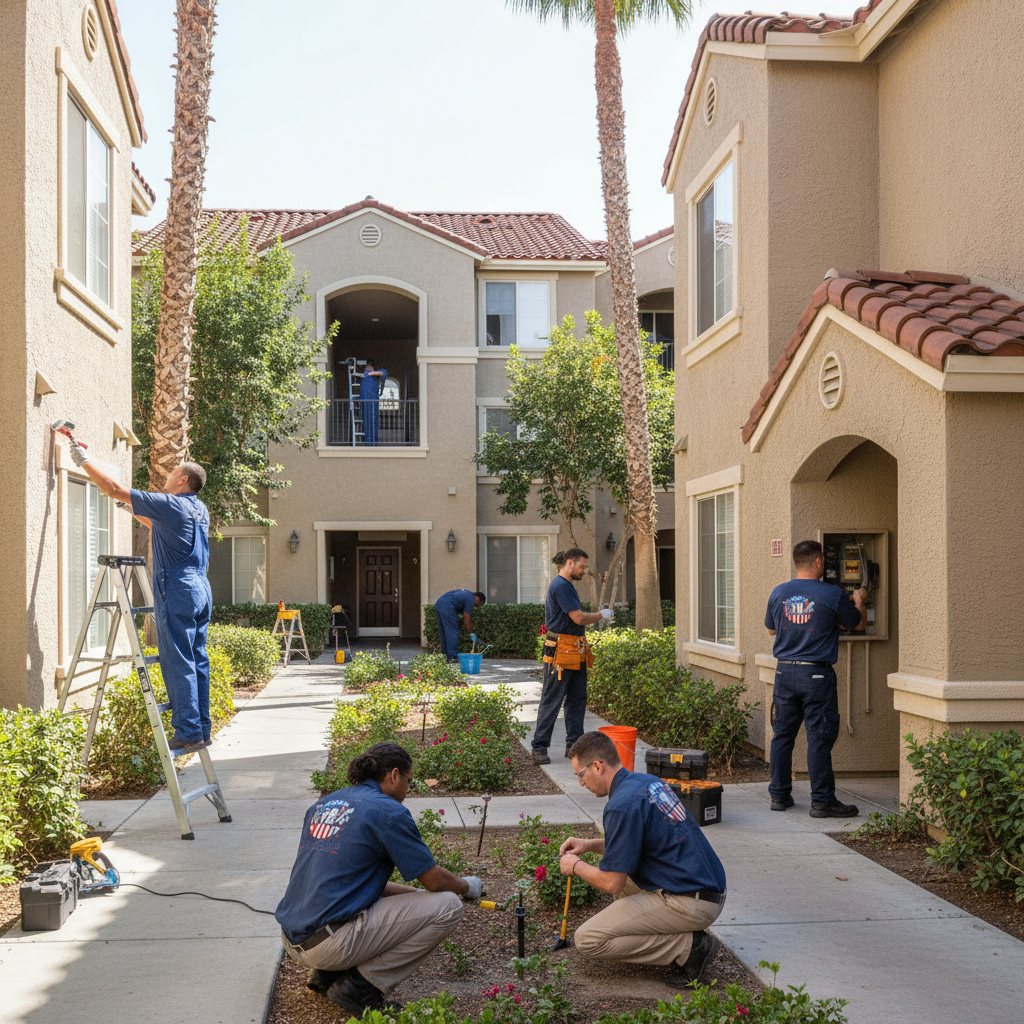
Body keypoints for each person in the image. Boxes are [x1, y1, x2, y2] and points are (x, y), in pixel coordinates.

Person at [275, 743, 483, 1016]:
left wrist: (414, 898)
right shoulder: (388, 811)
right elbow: (435, 882)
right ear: (394, 775)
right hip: (330, 945)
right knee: (448, 906)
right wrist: (467, 887)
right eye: (408, 781)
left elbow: (354, 882)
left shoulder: (324, 804)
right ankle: (360, 987)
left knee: (363, 903)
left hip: (292, 939)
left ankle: (326, 974)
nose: (408, 790)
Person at [69, 441, 213, 755]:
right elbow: (159, 527)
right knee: (198, 660)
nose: (168, 477)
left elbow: (114, 488)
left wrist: (84, 460)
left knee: (178, 660)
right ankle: (201, 730)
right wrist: (128, 508)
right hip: (200, 589)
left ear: (182, 480)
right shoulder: (197, 509)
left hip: (178, 589)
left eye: (173, 472)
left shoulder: (171, 504)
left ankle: (187, 733)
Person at [558, 731, 727, 990]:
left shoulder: (620, 805)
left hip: (692, 902)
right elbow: (635, 843)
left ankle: (689, 947)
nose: (581, 782)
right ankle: (675, 932)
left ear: (598, 766)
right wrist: (589, 846)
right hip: (707, 890)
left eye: (580, 774)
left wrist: (576, 866)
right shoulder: (645, 782)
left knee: (588, 940)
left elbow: (612, 883)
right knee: (624, 877)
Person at [764, 539, 867, 818]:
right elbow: (857, 623)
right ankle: (822, 801)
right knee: (819, 738)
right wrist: (859, 601)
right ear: (818, 562)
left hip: (785, 671)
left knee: (782, 735)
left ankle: (779, 795)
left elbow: (772, 631)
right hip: (816, 674)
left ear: (797, 562)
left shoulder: (779, 592)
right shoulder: (832, 594)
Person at [531, 548, 611, 765]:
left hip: (574, 649)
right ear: (569, 563)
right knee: (552, 699)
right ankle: (539, 747)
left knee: (577, 699)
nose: (584, 571)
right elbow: (577, 618)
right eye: (582, 567)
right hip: (560, 650)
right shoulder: (561, 586)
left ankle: (574, 747)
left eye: (585, 567)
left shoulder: (566, 586)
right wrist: (600, 616)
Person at [434, 589, 485, 664]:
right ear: (477, 597)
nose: (477, 606)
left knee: (444, 631)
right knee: (453, 631)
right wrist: (471, 632)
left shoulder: (466, 594)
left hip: (439, 603)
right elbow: (466, 617)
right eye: (479, 603)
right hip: (448, 605)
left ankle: (444, 656)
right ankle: (452, 657)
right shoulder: (471, 599)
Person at [359, 360, 388, 446]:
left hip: (372, 401)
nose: (367, 368)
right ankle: (367, 442)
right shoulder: (364, 377)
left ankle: (373, 443)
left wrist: (370, 373)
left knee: (372, 422)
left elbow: (383, 373)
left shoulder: (375, 374)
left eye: (369, 366)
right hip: (364, 400)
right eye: (366, 367)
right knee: (366, 422)